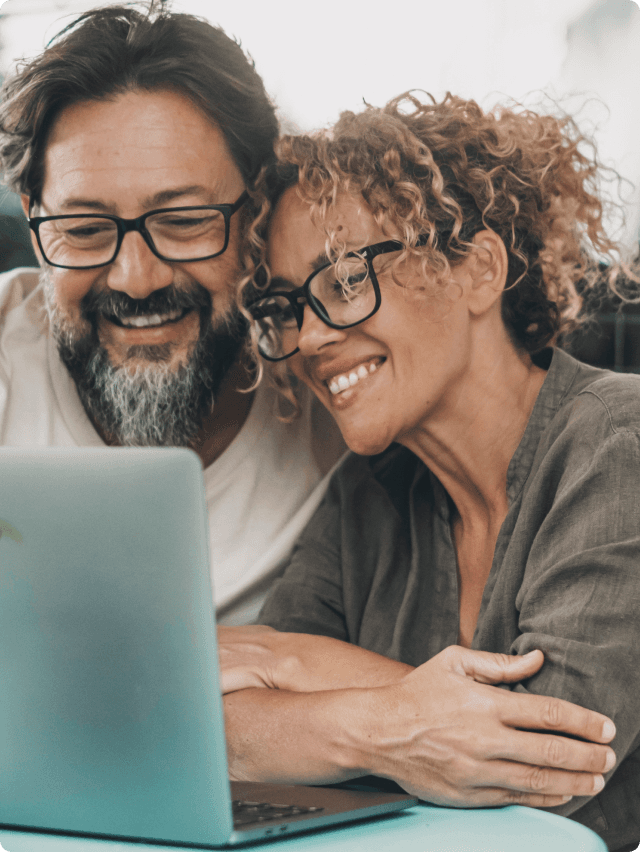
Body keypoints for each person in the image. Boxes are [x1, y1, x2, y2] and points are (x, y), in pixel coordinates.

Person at [223, 93, 640, 852]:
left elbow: (550, 755)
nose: (311, 337)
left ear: (479, 271)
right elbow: (221, 725)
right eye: (291, 304)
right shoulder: (369, 492)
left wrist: (294, 663)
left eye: (346, 279)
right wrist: (395, 728)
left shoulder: (620, 441)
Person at [0, 2, 345, 623]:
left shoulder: (338, 386)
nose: (136, 279)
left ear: (259, 207)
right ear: (32, 221)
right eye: (83, 229)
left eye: (183, 222)